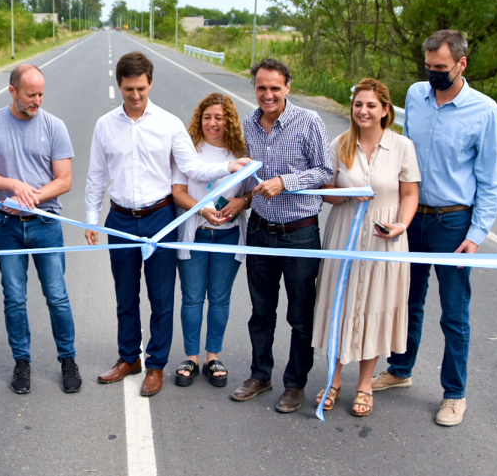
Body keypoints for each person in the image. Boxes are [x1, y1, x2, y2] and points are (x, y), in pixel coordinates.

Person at [85, 51, 251, 397]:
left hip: (160, 218)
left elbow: (194, 169)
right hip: (118, 220)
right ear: (119, 85)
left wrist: (228, 168)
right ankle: (128, 358)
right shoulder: (105, 125)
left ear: (150, 82)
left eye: (141, 89)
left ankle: (155, 365)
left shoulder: (169, 123)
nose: (134, 96)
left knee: (161, 297)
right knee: (125, 296)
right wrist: (92, 220)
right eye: (129, 89)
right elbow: (96, 176)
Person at [372, 30, 497, 427]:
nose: (433, 75)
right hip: (412, 218)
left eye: (441, 69)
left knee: (454, 313)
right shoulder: (415, 95)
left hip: (453, 222)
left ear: (462, 64)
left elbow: (491, 178)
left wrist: (476, 235)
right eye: (428, 67)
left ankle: (454, 393)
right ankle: (400, 369)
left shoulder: (484, 110)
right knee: (406, 300)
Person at [230, 58, 334, 414]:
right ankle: (261, 375)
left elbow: (324, 170)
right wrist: (234, 198)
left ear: (288, 86)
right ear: (254, 88)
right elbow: (248, 176)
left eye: (275, 87)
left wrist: (286, 182)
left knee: (300, 316)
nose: (268, 94)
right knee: (261, 311)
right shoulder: (249, 123)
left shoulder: (309, 122)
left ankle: (295, 384)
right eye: (261, 87)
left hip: (300, 233)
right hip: (260, 230)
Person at [312, 79, 420, 417]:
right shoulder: (340, 144)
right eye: (359, 104)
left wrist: (401, 225)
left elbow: (409, 194)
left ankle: (364, 384)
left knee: (374, 305)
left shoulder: (402, 146)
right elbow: (325, 192)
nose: (363, 111)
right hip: (344, 232)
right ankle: (334, 379)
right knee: (340, 304)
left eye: (371, 105)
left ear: (385, 110)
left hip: (385, 239)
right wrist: (345, 194)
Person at [0, 64, 81, 395]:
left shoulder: (54, 126)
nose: (37, 101)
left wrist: (32, 197)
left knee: (57, 296)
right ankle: (22, 361)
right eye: (30, 94)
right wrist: (13, 185)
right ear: (13, 91)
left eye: (41, 94)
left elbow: (64, 180)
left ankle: (68, 359)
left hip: (46, 223)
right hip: (7, 226)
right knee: (15, 297)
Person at [172, 93, 251, 388]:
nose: (213, 123)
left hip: (228, 236)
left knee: (219, 299)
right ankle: (191, 357)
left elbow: (253, 191)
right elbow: (178, 191)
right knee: (192, 298)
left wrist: (242, 202)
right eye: (207, 117)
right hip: (195, 235)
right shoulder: (188, 150)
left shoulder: (239, 153)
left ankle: (212, 356)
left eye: (219, 117)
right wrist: (200, 208)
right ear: (199, 119)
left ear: (228, 120)